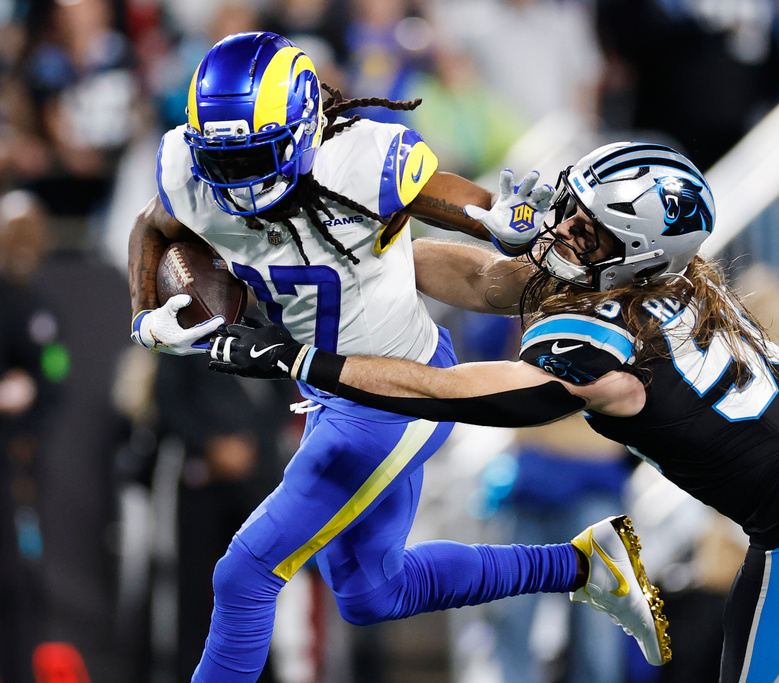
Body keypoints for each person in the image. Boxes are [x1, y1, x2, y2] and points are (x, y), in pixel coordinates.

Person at [211, 141, 779, 682]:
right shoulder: (658, 278)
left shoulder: (598, 336)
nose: (565, 229)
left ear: (632, 252)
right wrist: (350, 273)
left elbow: (454, 389)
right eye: (573, 209)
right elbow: (485, 276)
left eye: (588, 229)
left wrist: (307, 359)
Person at [127, 32, 668, 682]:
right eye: (226, 160)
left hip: (398, 394)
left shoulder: (362, 162)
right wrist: (142, 313)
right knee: (370, 592)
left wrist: (505, 215)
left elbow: (463, 204)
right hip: (331, 392)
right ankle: (586, 565)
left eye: (257, 156)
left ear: (304, 129)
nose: (240, 181)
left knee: (244, 573)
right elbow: (151, 227)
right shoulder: (191, 171)